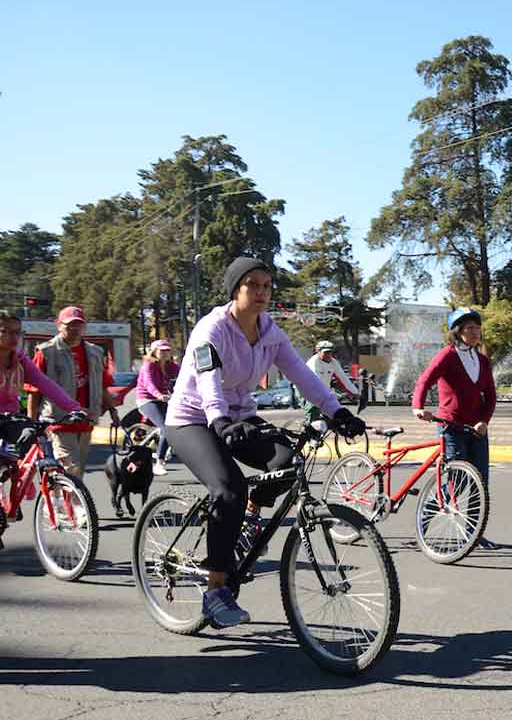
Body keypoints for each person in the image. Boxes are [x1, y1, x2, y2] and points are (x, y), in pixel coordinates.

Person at [165, 257, 366, 629]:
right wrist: (220, 420)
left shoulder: (271, 332)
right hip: (193, 419)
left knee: (289, 465)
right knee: (228, 490)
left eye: (267, 286)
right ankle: (215, 592)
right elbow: (208, 378)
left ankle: (248, 526)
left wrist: (338, 412)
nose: (261, 292)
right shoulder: (211, 329)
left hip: (237, 417)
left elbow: (304, 377)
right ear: (235, 290)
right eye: (252, 285)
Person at [412, 307, 497, 548]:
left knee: (479, 482)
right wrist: (418, 407)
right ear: (458, 332)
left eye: (477, 328)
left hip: (476, 429)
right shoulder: (446, 356)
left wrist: (484, 421)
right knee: (454, 481)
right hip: (450, 427)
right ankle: (423, 524)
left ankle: (474, 533)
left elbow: (490, 395)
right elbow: (424, 381)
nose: (475, 332)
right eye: (470, 328)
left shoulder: (481, 359)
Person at [26, 306, 120, 477]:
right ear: (59, 325)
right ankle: (69, 503)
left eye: (79, 325)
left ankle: (60, 501)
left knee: (78, 470)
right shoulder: (46, 351)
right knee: (69, 467)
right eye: (70, 325)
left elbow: (103, 385)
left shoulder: (95, 352)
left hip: (87, 420)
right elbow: (34, 390)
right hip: (59, 420)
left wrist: (113, 411)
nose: (75, 329)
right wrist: (31, 424)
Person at [0, 310, 83, 456]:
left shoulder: (20, 361)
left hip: (10, 419)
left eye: (17, 332)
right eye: (5, 331)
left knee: (29, 436)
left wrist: (73, 407)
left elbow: (46, 384)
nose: (14, 337)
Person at [135, 339, 180, 476]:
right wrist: (159, 395)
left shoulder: (170, 365)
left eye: (167, 350)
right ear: (154, 351)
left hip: (163, 399)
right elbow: (149, 384)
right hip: (147, 400)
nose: (165, 353)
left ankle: (165, 444)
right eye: (162, 350)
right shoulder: (148, 365)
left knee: (177, 423)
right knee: (166, 427)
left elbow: (185, 375)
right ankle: (159, 463)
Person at [304, 340, 358, 423]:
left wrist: (355, 392)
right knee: (313, 410)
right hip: (308, 390)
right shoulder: (313, 362)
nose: (328, 355)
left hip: (324, 391)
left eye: (330, 352)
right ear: (318, 352)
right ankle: (309, 430)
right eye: (325, 352)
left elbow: (343, 378)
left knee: (332, 413)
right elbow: (316, 381)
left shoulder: (334, 362)